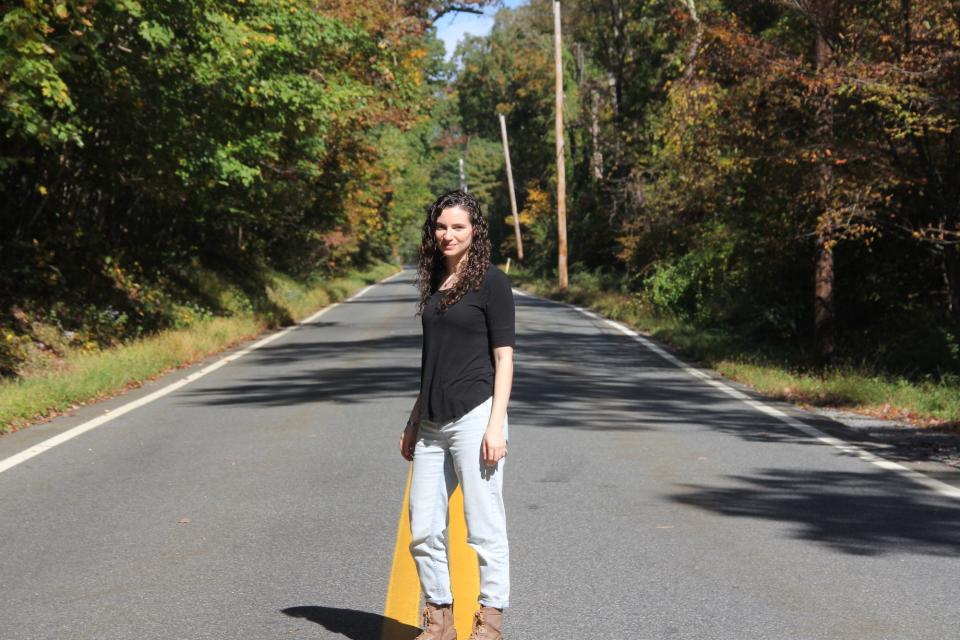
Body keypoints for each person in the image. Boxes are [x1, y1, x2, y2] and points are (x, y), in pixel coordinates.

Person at [399, 190, 515, 640]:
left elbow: (503, 359)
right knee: (423, 527)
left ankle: (489, 622)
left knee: (484, 526)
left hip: (475, 415)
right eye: (441, 227)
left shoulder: (492, 282)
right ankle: (439, 618)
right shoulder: (434, 280)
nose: (447, 235)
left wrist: (495, 425)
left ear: (474, 231)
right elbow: (434, 357)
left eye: (458, 227)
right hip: (431, 421)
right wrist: (413, 419)